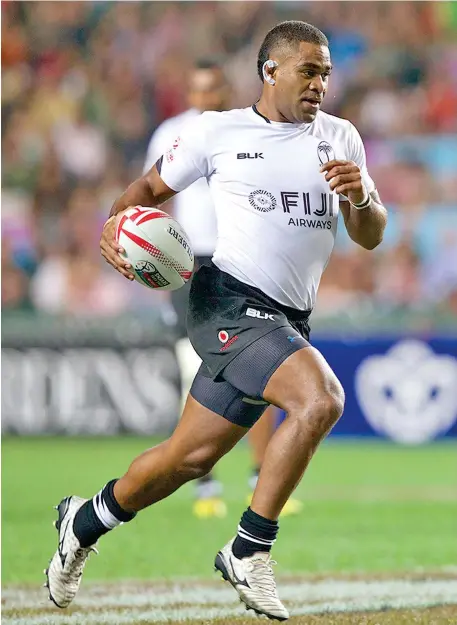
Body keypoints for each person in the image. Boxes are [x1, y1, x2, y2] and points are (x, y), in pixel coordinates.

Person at [46, 21, 387, 620]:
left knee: (189, 459)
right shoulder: (217, 132)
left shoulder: (341, 138)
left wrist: (361, 197)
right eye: (309, 71)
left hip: (287, 315)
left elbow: (369, 236)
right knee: (322, 399)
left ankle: (83, 518)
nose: (320, 85)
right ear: (270, 71)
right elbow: (148, 188)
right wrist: (114, 228)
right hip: (225, 299)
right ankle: (250, 549)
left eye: (326, 74)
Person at [143, 58, 301, 519]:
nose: (205, 98)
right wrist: (158, 262)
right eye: (197, 90)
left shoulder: (243, 130)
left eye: (212, 89)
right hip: (189, 263)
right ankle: (204, 485)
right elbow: (156, 199)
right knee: (193, 368)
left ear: (224, 89)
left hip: (241, 262)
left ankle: (259, 478)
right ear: (189, 94)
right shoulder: (172, 133)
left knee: (262, 368)